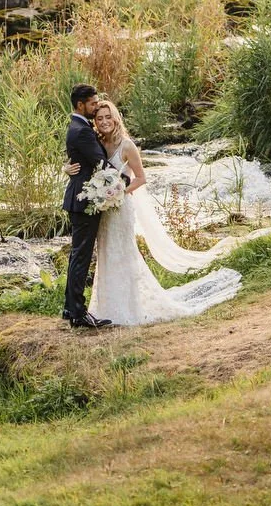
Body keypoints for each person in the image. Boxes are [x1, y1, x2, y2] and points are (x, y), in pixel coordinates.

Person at [76, 100, 247, 326]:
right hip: (105, 211)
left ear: (116, 118)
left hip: (121, 208)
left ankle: (130, 308)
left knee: (124, 255)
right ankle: (107, 307)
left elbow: (141, 178)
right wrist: (68, 169)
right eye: (100, 119)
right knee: (107, 256)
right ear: (95, 123)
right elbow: (84, 165)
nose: (105, 122)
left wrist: (119, 193)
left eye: (109, 117)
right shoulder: (97, 143)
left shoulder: (126, 146)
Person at [61, 84, 112, 329]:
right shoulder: (82, 130)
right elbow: (100, 162)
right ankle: (78, 313)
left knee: (77, 256)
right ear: (81, 104)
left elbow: (79, 158)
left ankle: (72, 309)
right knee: (81, 257)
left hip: (80, 199)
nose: (95, 106)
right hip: (84, 201)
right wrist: (124, 181)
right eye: (92, 103)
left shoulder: (79, 127)